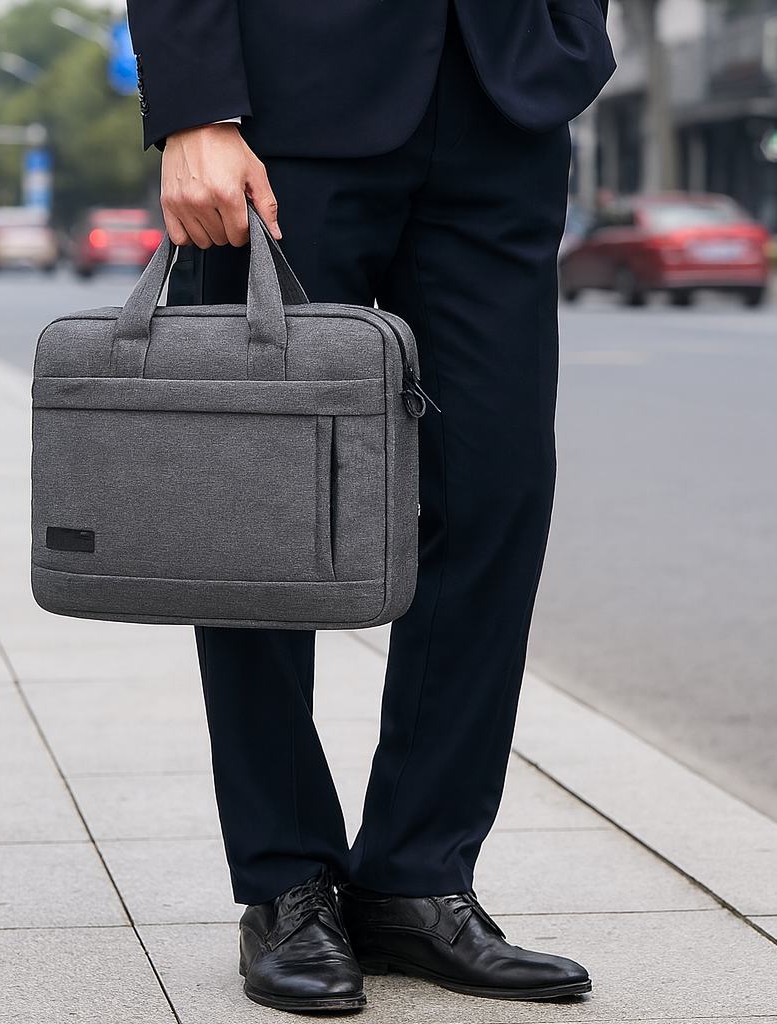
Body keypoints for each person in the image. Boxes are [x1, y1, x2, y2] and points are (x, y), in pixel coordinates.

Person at [127, 0, 614, 1013]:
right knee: (264, 502)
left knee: (498, 486)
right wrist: (196, 104)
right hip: (282, 108)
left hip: (502, 96)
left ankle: (416, 877)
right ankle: (283, 881)